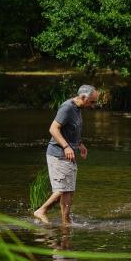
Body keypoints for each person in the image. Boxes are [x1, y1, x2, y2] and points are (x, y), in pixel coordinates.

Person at [33, 85, 99, 225]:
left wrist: (79, 144)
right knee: (64, 189)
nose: (93, 105)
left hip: (67, 155)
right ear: (83, 97)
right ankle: (43, 212)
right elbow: (53, 128)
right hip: (58, 154)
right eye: (92, 102)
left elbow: (70, 129)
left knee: (67, 189)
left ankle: (65, 222)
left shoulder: (78, 109)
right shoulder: (67, 107)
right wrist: (66, 146)